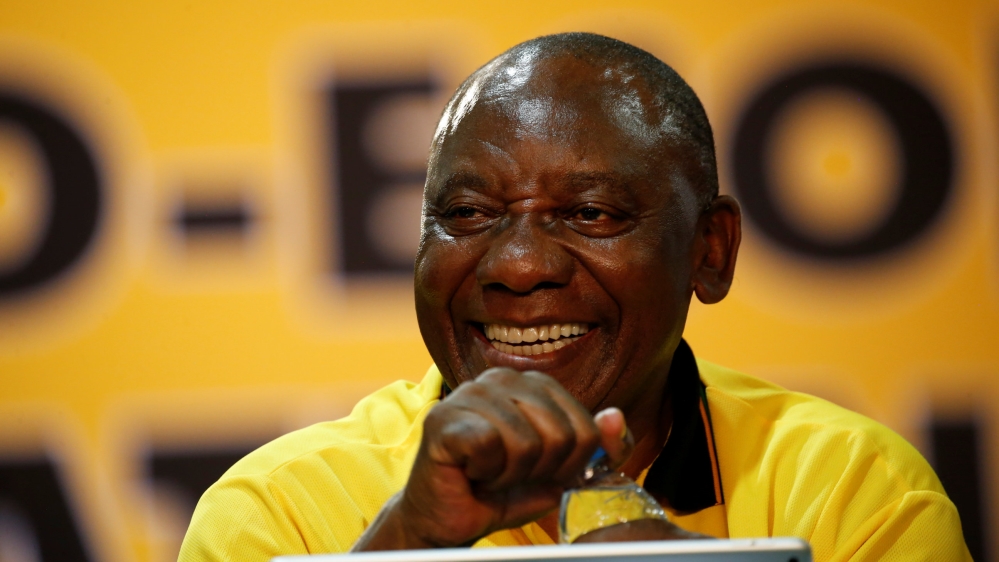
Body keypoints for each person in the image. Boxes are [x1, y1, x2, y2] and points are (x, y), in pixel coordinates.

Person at [178, 32, 971, 561]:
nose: (518, 266)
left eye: (589, 213)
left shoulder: (849, 489)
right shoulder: (278, 512)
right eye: (468, 215)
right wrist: (406, 548)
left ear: (709, 251)